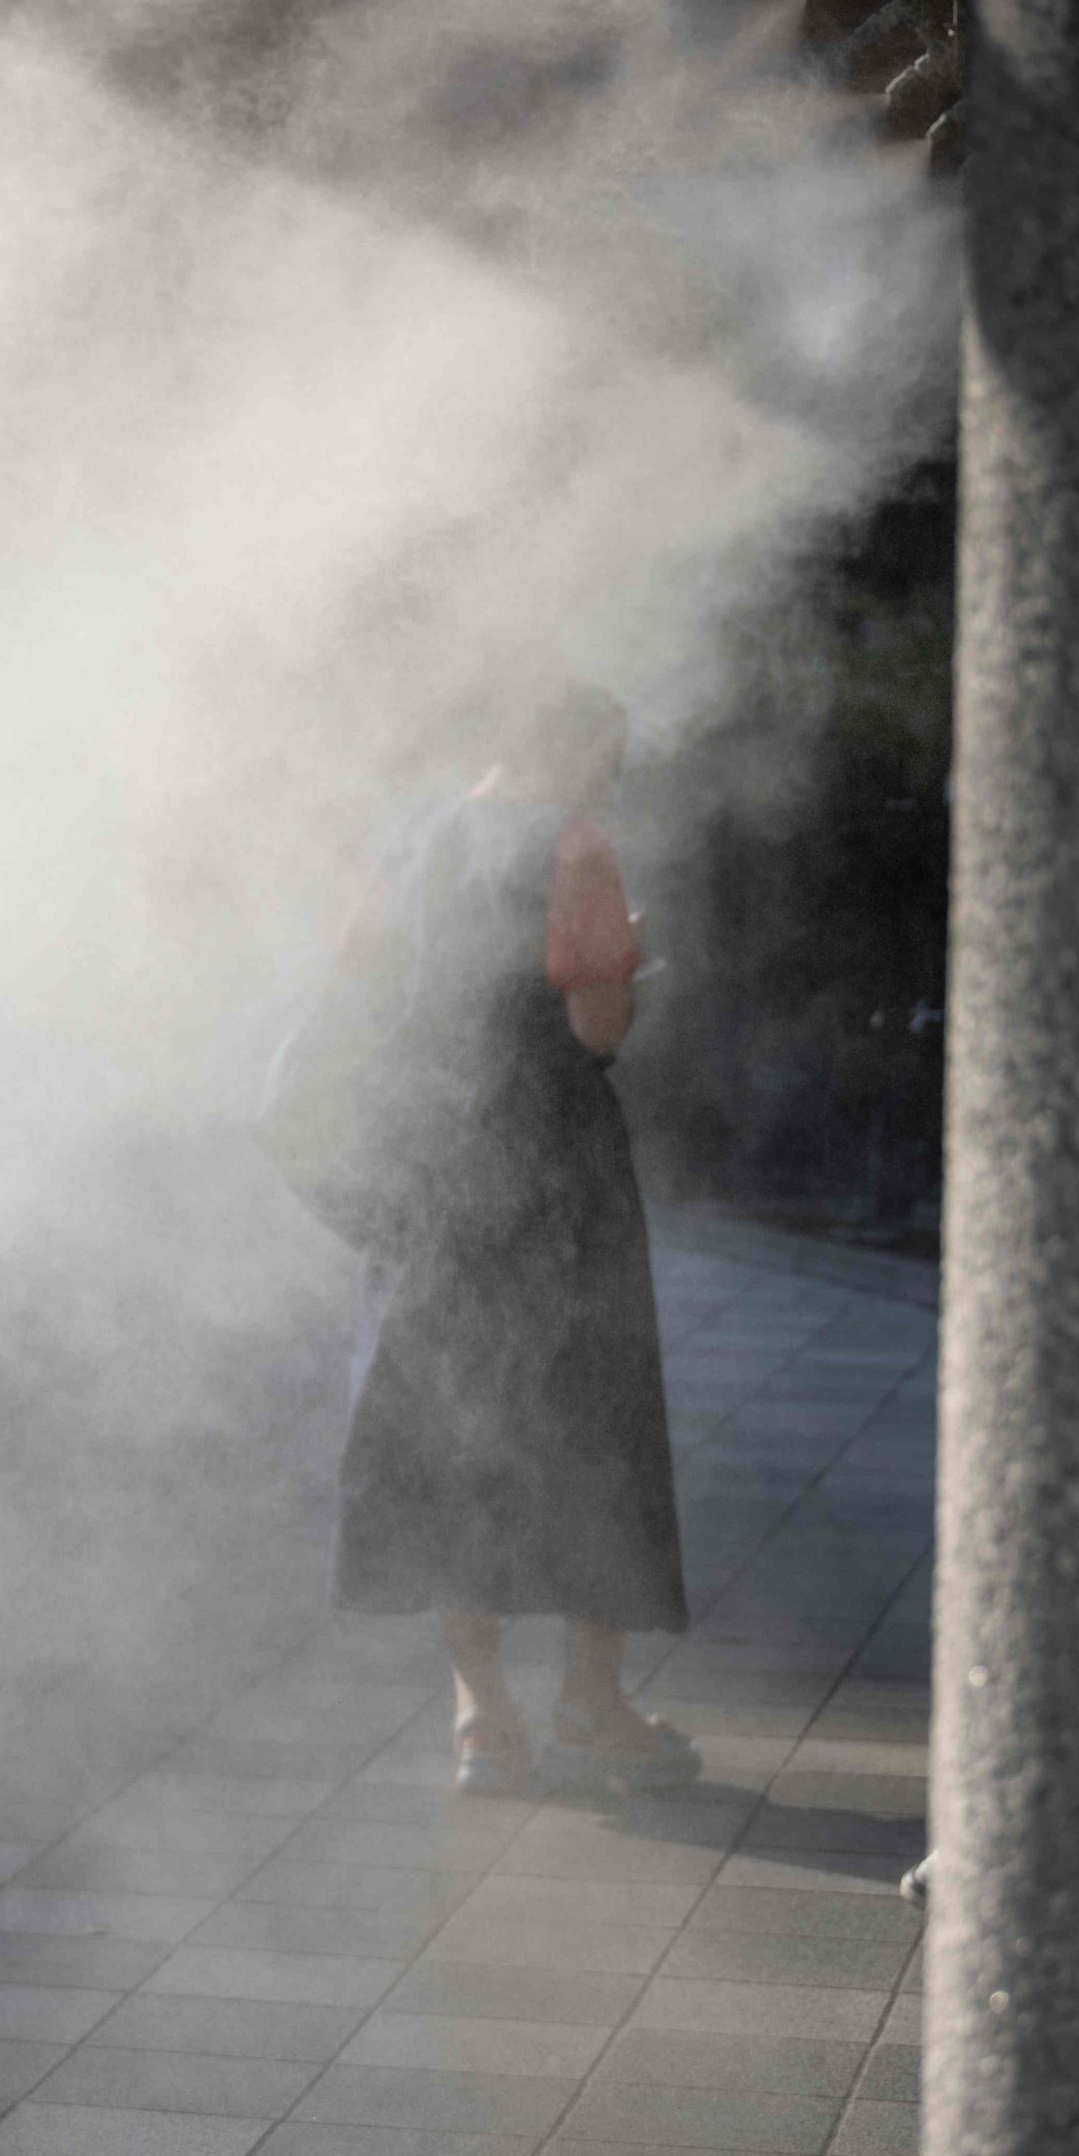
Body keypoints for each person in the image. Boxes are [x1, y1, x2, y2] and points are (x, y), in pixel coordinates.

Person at [313, 682, 697, 1798]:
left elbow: (358, 982)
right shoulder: (576, 849)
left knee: (446, 1425)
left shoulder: (416, 837)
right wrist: (627, 959)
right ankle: (591, 1703)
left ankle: (481, 1714)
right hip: (554, 1179)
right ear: (585, 761)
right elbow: (596, 1026)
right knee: (592, 1423)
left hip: (433, 1168)